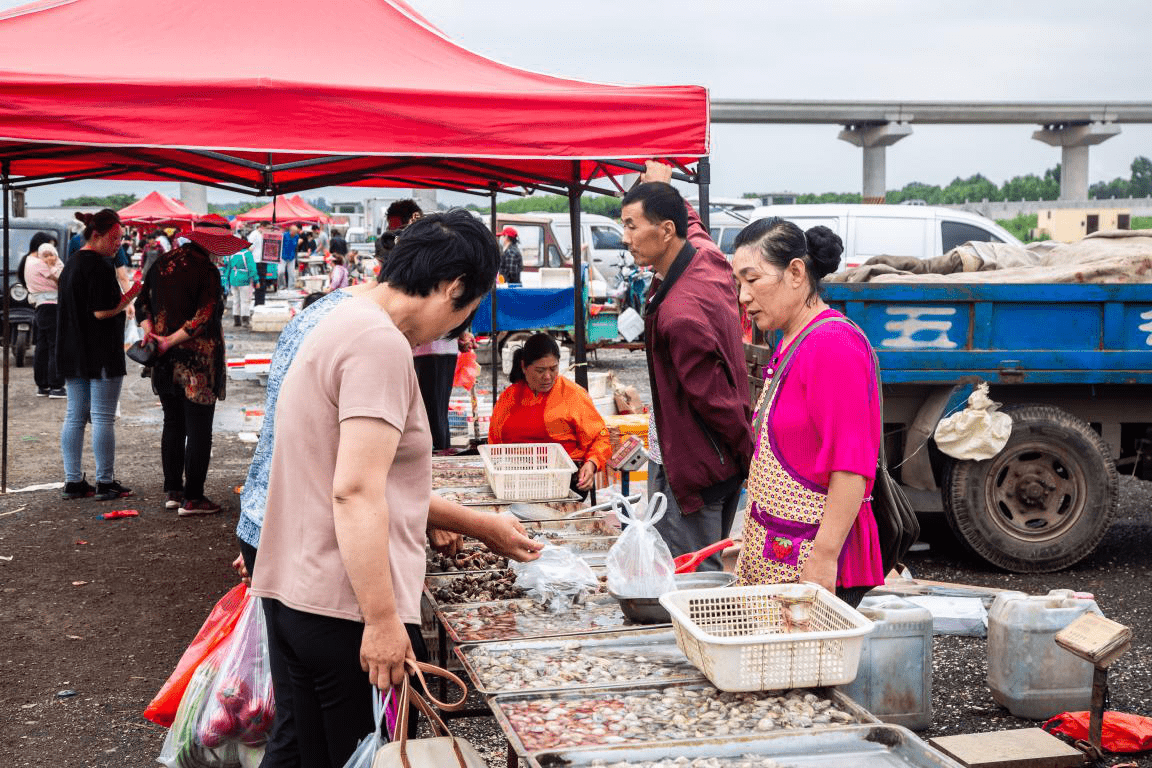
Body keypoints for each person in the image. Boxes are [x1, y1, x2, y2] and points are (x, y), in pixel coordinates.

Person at [249, 210, 541, 768]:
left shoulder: (340, 318)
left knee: (304, 755)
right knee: (352, 754)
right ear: (455, 288)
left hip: (295, 591)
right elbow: (356, 492)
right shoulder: (378, 345)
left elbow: (357, 477)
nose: (458, 327)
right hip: (343, 609)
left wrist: (480, 525)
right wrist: (382, 622)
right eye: (468, 309)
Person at [729, 217, 883, 607]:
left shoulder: (832, 344)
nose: (743, 296)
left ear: (796, 272)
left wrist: (824, 557)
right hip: (781, 550)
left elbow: (851, 466)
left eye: (753, 280)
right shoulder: (791, 339)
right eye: (738, 283)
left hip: (813, 564)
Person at [621, 161, 753, 571]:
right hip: (712, 462)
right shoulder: (708, 261)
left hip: (693, 467)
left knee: (687, 578)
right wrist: (661, 187)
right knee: (701, 562)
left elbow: (715, 401)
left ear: (664, 232)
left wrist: (751, 458)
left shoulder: (680, 315)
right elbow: (688, 227)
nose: (625, 238)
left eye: (631, 226)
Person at [135, 225, 235, 516]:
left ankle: (173, 492)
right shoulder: (207, 270)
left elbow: (142, 305)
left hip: (164, 362)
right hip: (198, 364)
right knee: (199, 429)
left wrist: (153, 335)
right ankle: (193, 498)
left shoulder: (162, 262)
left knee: (173, 423)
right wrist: (170, 340)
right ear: (212, 242)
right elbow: (202, 320)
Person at [57, 209, 138, 501]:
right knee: (102, 417)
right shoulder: (98, 266)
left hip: (72, 350)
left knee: (75, 416)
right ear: (97, 235)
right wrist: (130, 297)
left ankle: (72, 481)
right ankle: (104, 481)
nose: (118, 244)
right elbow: (102, 311)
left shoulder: (72, 263)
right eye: (114, 238)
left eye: (120, 238)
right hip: (100, 352)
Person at [489, 333, 611, 494]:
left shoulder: (573, 394)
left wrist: (592, 463)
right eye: (540, 370)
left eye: (553, 369)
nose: (547, 377)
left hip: (564, 483)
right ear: (524, 366)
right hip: (515, 483)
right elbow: (493, 443)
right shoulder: (509, 397)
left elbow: (600, 437)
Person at [25, 241, 66, 398]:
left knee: (42, 346)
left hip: (41, 308)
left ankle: (43, 385)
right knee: (55, 346)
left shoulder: (31, 264)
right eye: (46, 255)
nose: (50, 258)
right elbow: (61, 279)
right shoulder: (42, 266)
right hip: (52, 308)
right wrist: (52, 265)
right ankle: (56, 386)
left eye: (52, 254)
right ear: (40, 256)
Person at [224, 244, 259, 327]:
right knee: (245, 301)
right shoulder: (247, 254)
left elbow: (228, 268)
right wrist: (256, 280)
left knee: (236, 301)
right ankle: (245, 321)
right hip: (244, 279)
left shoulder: (232, 254)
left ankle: (237, 321)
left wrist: (227, 280)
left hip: (233, 279)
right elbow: (252, 268)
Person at [280, 224, 298, 290]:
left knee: (292, 274)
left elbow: (296, 246)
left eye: (295, 232)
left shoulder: (296, 236)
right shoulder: (284, 235)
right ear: (290, 231)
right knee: (280, 272)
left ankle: (291, 287)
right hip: (283, 256)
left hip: (292, 257)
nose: (294, 234)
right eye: (293, 232)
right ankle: (281, 285)